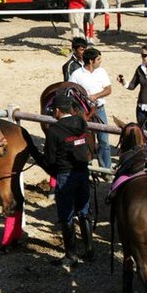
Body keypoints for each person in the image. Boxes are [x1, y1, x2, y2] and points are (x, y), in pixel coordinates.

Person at [43, 92, 93, 267]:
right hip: (82, 171)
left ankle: (71, 255)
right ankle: (89, 249)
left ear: (57, 110)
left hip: (65, 174)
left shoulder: (54, 131)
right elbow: (86, 144)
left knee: (66, 215)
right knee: (84, 211)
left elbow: (49, 159)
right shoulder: (81, 122)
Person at [68, 46, 112, 170]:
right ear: (91, 61)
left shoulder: (101, 72)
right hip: (84, 111)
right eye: (98, 59)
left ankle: (105, 168)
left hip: (99, 109)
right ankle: (87, 166)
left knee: (104, 140)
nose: (100, 62)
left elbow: (108, 89)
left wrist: (96, 96)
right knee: (85, 140)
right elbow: (71, 92)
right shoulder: (76, 74)